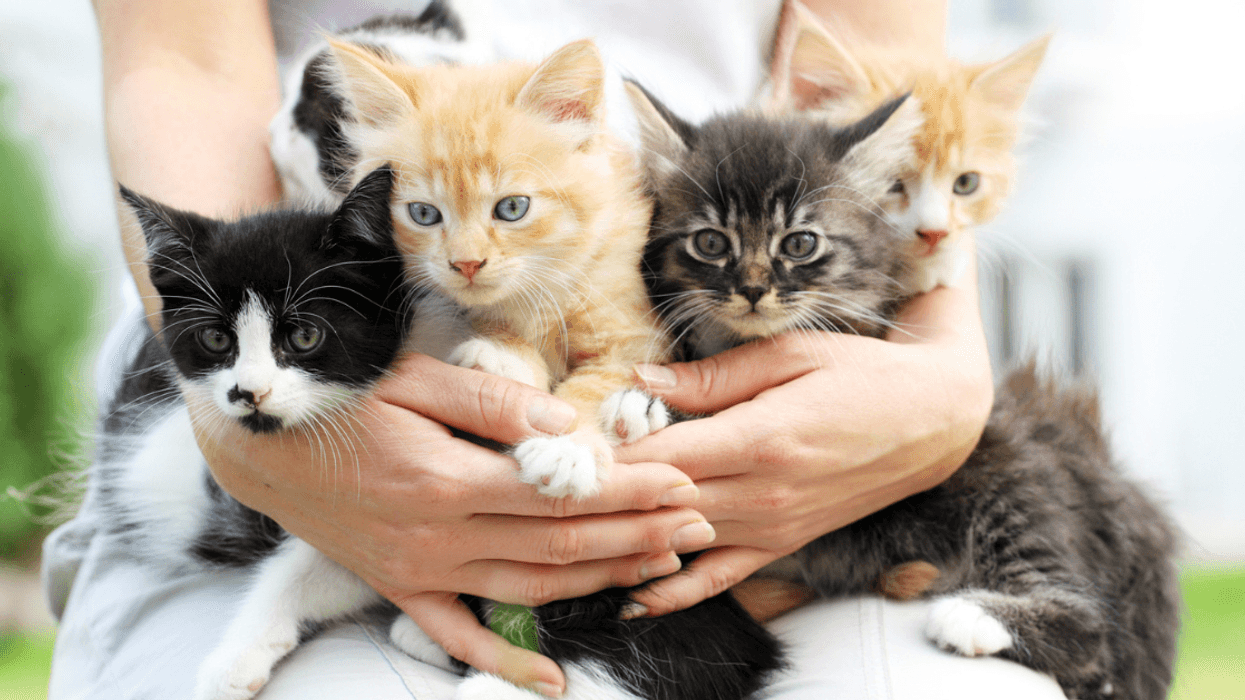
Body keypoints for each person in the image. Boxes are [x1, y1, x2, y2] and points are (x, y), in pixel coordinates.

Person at [45, 0, 1063, 698]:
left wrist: (941, 388)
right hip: (304, 347)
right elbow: (179, 62)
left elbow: (899, 134)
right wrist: (248, 408)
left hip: (751, 386)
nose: (470, 257)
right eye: (431, 214)